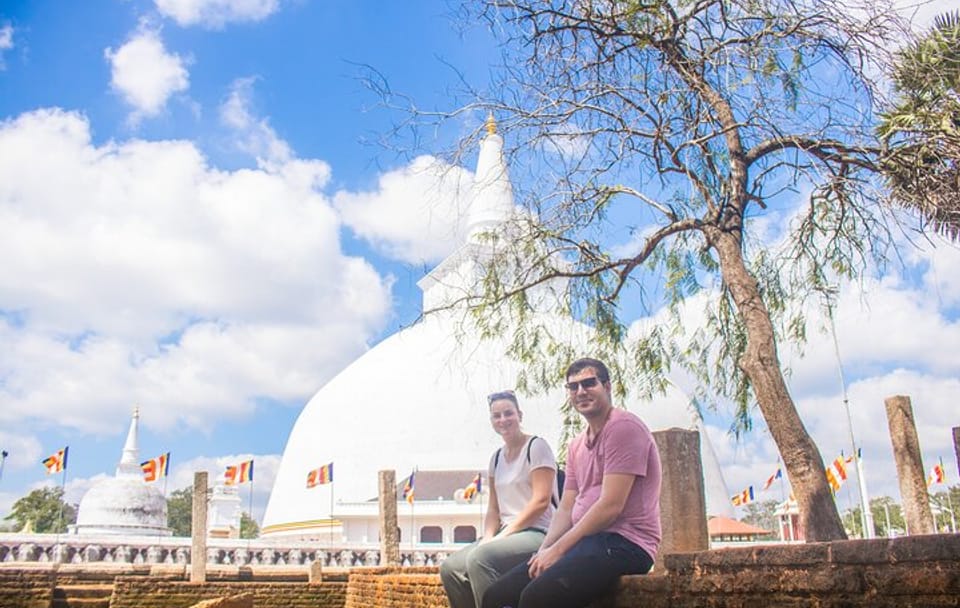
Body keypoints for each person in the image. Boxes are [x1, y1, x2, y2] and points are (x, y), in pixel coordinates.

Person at [481, 358, 662, 608]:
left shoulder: (623, 427)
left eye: (589, 383)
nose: (581, 391)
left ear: (607, 386)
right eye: (573, 386)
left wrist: (558, 550)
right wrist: (544, 550)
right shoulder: (576, 445)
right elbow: (566, 507)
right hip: (586, 542)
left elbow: (610, 506)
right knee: (496, 596)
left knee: (536, 597)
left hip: (625, 543)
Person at [440, 390, 558, 608]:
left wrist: (504, 535)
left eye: (508, 413)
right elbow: (494, 508)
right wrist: (488, 538)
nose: (503, 420)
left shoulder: (536, 447)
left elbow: (541, 501)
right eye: (497, 416)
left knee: (481, 558)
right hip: (506, 534)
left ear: (519, 415)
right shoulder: (496, 458)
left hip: (537, 532)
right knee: (451, 568)